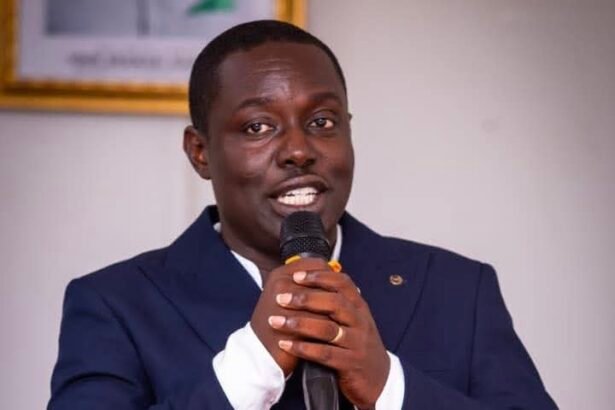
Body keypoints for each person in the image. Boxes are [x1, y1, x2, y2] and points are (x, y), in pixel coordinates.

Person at [48, 20, 558, 409]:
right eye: (257, 127)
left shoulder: (457, 290)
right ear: (200, 153)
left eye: (322, 121)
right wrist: (249, 369)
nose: (298, 150)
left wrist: (390, 387)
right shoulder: (116, 304)